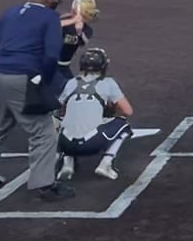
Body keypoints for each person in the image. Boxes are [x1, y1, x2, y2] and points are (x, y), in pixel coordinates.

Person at [0, 0, 74, 201]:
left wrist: (1, 66)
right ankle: (44, 185)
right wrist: (42, 80)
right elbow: (52, 55)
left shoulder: (10, 12)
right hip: (25, 77)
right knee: (43, 132)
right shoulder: (50, 17)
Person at [55, 46, 136, 182]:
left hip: (66, 144)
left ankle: (67, 164)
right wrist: (109, 112)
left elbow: (59, 108)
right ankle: (106, 163)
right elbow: (127, 111)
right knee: (123, 124)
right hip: (92, 143)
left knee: (60, 122)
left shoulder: (71, 83)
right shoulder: (108, 83)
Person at [54, 0, 99, 87]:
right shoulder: (61, 20)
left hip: (62, 66)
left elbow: (83, 42)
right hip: (45, 64)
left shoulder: (86, 30)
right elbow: (49, 26)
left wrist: (79, 32)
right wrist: (71, 20)